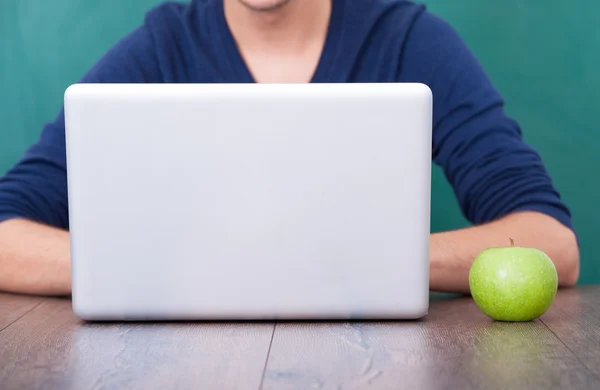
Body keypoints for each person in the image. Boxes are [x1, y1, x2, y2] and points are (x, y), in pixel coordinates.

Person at [0, 0, 579, 296]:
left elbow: (552, 242)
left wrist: (367, 265)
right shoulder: (159, 51)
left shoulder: (408, 41)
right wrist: (168, 271)